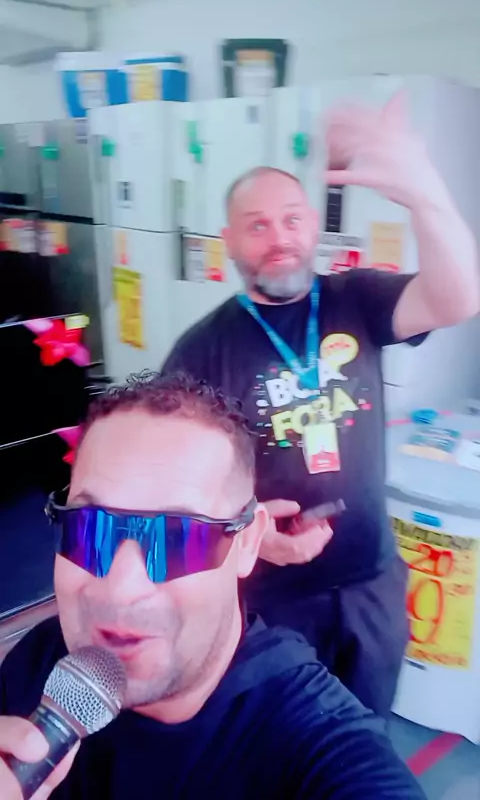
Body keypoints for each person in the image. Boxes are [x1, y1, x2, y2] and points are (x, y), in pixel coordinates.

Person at [162, 94, 480, 718]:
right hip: (267, 601)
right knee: (279, 746)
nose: (279, 238)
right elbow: (173, 492)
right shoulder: (200, 351)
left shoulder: (355, 298)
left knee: (364, 736)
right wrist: (244, 534)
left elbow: (458, 297)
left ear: (311, 224)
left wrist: (423, 193)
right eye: (257, 225)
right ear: (229, 241)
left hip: (370, 584)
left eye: (290, 219)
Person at [0, 372, 427, 800]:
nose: (121, 587)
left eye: (178, 538)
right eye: (88, 529)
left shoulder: (317, 747)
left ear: (247, 543)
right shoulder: (38, 661)